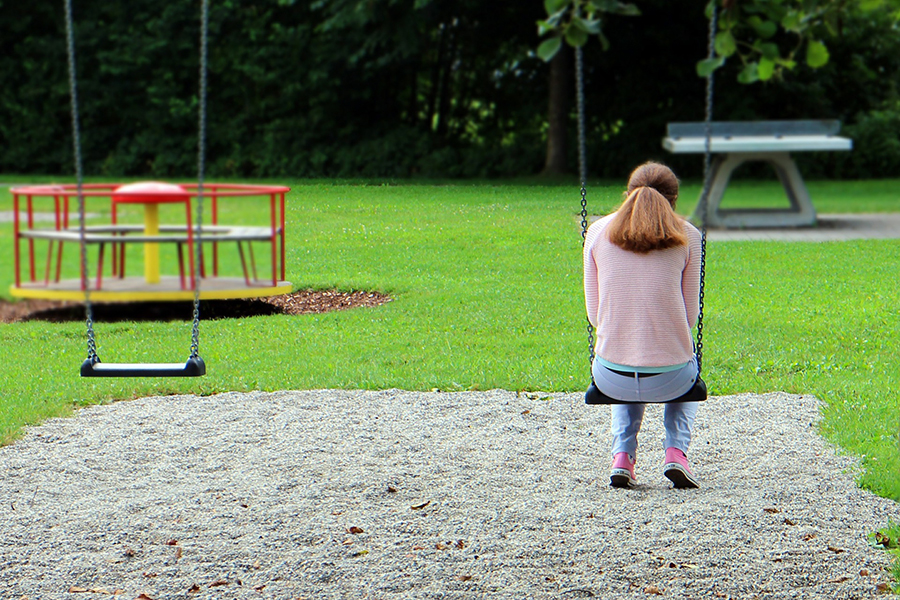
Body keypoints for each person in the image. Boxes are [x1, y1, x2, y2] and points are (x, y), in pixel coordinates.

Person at [583, 161, 702, 489]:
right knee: (682, 357)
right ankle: (676, 452)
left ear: (628, 194)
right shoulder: (689, 236)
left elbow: (595, 316)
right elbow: (689, 317)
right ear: (674, 199)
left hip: (611, 378)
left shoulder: (596, 232)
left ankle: (622, 456)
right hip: (673, 380)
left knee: (624, 352)